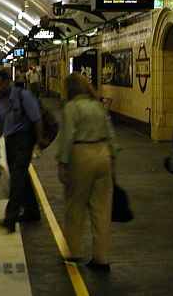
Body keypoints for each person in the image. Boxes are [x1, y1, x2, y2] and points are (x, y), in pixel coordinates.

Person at [57, 72, 119, 272]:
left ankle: (73, 251)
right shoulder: (98, 105)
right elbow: (111, 133)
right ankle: (101, 258)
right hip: (102, 154)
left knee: (75, 205)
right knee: (101, 210)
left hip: (81, 154)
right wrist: (112, 157)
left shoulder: (71, 107)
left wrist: (63, 163)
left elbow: (68, 136)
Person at [0, 69, 48, 232]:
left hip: (24, 140)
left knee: (17, 177)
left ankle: (11, 216)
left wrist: (39, 140)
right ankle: (32, 211)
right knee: (21, 176)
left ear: (8, 82)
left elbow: (36, 118)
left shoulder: (24, 96)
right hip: (10, 142)